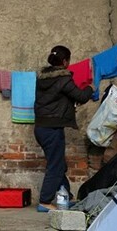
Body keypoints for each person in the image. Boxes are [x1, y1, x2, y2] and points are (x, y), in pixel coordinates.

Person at [34, 45, 93, 212]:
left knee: (59, 164)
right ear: (65, 61)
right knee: (55, 165)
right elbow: (81, 96)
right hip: (52, 129)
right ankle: (45, 201)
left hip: (41, 128)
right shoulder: (63, 79)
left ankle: (66, 196)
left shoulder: (42, 78)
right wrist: (90, 87)